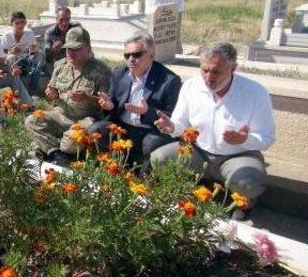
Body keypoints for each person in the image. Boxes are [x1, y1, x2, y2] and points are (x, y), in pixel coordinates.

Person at [151, 43, 276, 220]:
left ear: (233, 68)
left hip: (237, 155)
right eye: (204, 70)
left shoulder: (256, 93)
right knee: (159, 159)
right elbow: (180, 123)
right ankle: (188, 195)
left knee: (249, 183)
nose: (209, 78)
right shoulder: (191, 86)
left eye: (216, 72)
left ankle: (244, 205)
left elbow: (267, 138)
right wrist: (171, 127)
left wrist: (244, 139)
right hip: (198, 152)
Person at [90, 32, 181, 173]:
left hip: (150, 130)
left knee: (153, 142)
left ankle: (144, 179)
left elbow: (172, 117)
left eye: (137, 54)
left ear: (152, 55)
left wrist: (147, 112)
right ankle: (111, 168)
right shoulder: (120, 73)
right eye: (127, 55)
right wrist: (110, 105)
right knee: (96, 130)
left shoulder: (169, 81)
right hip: (123, 127)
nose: (131, 59)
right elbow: (113, 104)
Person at [25, 26, 110, 164]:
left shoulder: (101, 71)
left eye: (76, 49)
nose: (71, 53)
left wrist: (87, 98)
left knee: (70, 143)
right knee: (32, 120)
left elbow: (105, 105)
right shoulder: (60, 66)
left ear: (88, 49)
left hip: (85, 119)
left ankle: (49, 146)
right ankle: (56, 154)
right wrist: (52, 94)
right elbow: (53, 97)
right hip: (61, 114)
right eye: (68, 49)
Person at [2, 12, 43, 94]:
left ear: (25, 23)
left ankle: (33, 86)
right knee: (11, 57)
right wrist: (12, 52)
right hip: (12, 62)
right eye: (17, 23)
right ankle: (17, 82)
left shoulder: (29, 33)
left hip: (25, 60)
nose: (20, 25)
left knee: (40, 56)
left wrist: (31, 50)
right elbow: (2, 56)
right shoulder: (7, 36)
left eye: (22, 22)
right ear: (11, 24)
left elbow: (32, 52)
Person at [43, 6, 80, 76]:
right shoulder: (50, 33)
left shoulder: (75, 28)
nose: (64, 23)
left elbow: (83, 45)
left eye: (67, 19)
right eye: (61, 20)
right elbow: (47, 57)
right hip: (58, 62)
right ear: (56, 19)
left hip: (74, 59)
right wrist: (53, 50)